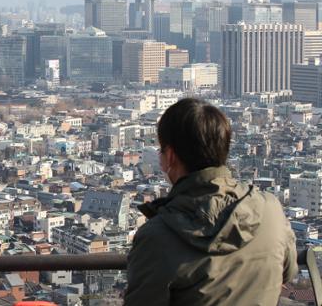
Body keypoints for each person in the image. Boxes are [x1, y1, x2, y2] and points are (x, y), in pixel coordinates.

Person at [124, 98, 298, 306]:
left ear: (170, 156)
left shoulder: (157, 237)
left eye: (161, 151)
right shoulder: (270, 210)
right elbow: (288, 271)